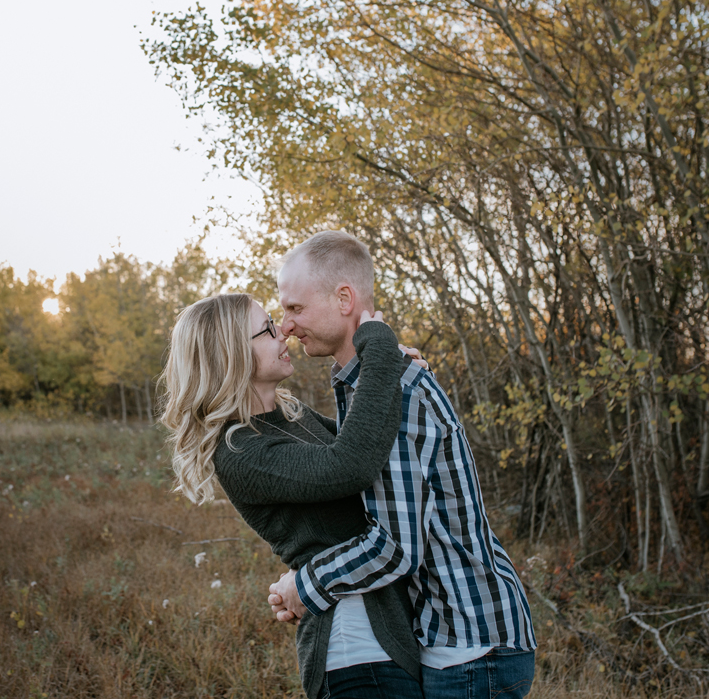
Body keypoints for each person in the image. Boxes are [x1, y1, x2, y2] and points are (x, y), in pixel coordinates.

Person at [267, 230, 537, 699]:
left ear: (344, 298)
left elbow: (395, 547)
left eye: (295, 308)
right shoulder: (368, 387)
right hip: (453, 638)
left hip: (471, 643)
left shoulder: (396, 392)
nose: (286, 326)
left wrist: (305, 586)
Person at [159, 292, 426, 699]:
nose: (283, 329)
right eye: (267, 328)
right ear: (231, 355)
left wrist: (397, 374)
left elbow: (374, 446)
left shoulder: (290, 415)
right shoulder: (241, 451)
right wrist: (379, 351)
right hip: (356, 650)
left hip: (388, 633)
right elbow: (351, 466)